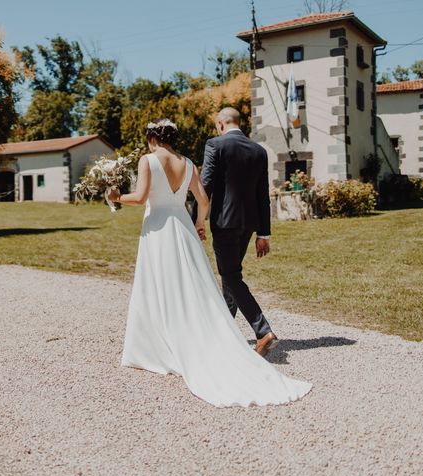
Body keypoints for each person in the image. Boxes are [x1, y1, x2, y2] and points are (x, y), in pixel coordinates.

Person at [108, 118, 311, 407]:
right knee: (190, 286)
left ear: (153, 137)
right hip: (183, 227)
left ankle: (156, 346)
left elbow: (140, 198)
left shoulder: (148, 160)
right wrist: (199, 224)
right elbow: (203, 199)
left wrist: (116, 197)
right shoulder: (188, 163)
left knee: (158, 284)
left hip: (157, 228)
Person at [197, 107, 278, 357]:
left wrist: (196, 221)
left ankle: (263, 330)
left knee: (230, 275)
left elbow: (205, 186)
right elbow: (262, 195)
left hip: (224, 222)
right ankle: (225, 329)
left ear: (220, 124)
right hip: (249, 223)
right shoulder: (259, 151)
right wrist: (263, 233)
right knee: (231, 273)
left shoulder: (215, 145)